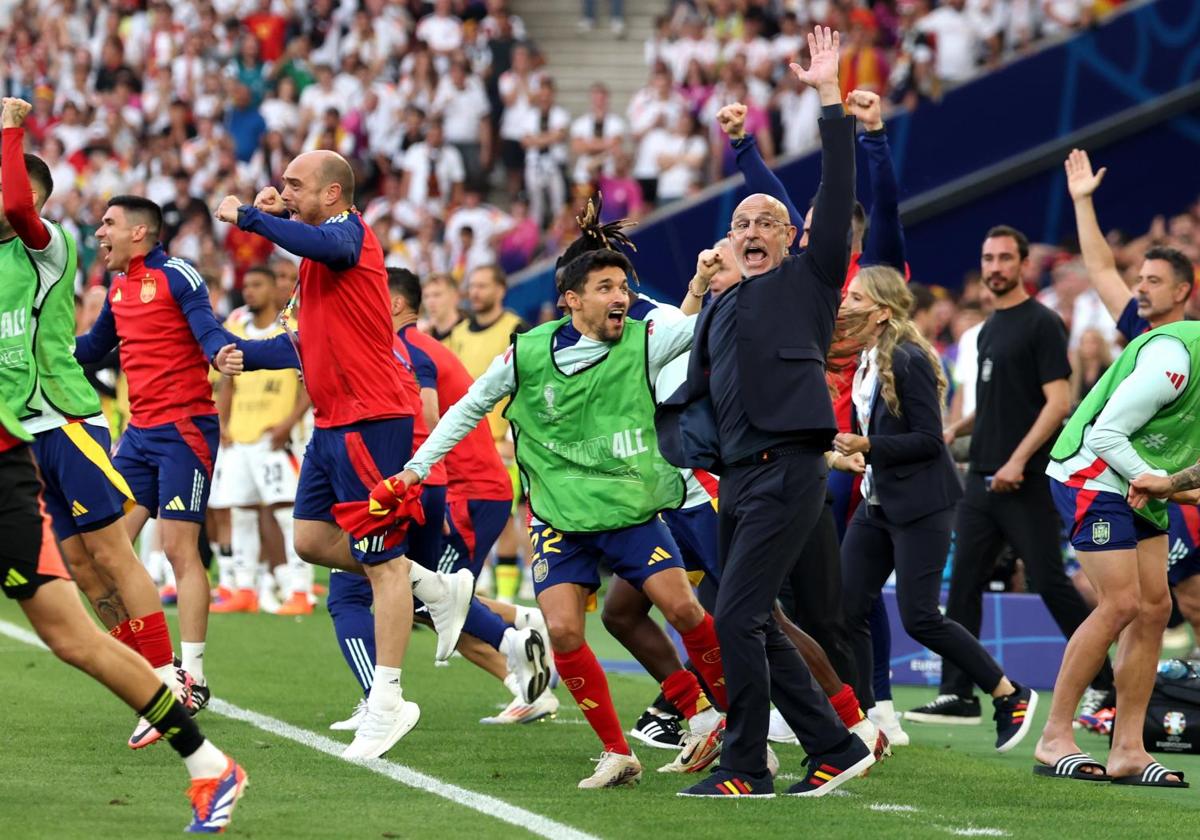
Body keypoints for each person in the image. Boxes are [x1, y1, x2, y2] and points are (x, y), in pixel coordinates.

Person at [379, 246, 728, 789]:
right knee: (564, 631)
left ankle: (739, 727)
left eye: (623, 287)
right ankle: (618, 753)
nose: (622, 297)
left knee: (684, 608)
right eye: (607, 288)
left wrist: (707, 283)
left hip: (629, 512)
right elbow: (469, 407)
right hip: (558, 519)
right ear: (572, 300)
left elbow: (699, 326)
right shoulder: (527, 353)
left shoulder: (645, 336)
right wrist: (412, 471)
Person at [659, 26, 875, 799]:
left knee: (739, 616)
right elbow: (688, 388)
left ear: (793, 237)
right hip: (735, 482)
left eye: (767, 223)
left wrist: (826, 98)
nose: (753, 231)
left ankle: (745, 765)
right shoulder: (719, 307)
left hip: (787, 470)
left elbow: (839, 187)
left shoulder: (811, 282)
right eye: (741, 223)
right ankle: (832, 745)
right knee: (746, 617)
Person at [213, 149, 474, 761]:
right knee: (309, 540)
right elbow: (311, 341)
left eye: (296, 185)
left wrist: (249, 217)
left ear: (332, 194)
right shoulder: (317, 256)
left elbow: (328, 247)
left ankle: (389, 700)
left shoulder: (345, 234)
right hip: (335, 420)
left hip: (370, 416)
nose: (285, 192)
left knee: (379, 562)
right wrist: (246, 355)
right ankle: (433, 586)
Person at [0, 98, 191, 750]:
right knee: (80, 568)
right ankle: (149, 680)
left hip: (66, 417)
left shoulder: (48, 247)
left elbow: (20, 208)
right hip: (22, 435)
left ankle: (167, 678)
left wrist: (9, 127)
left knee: (112, 551)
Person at [325, 267, 551, 731]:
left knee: (429, 600)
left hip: (461, 490)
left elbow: (422, 420)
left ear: (390, 304)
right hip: (455, 487)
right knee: (427, 596)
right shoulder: (415, 346)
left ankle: (522, 663)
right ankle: (523, 636)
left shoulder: (407, 350)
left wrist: (429, 497)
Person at [0, 408, 248, 831]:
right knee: (82, 578)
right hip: (34, 447)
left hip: (40, 446)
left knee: (75, 632)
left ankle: (184, 713)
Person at [835, 266, 1037, 753]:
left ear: (881, 311)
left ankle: (1008, 694)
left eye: (856, 297)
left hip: (922, 505)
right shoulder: (865, 358)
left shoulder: (907, 360)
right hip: (877, 501)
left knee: (920, 617)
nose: (844, 303)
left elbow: (928, 441)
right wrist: (854, 454)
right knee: (844, 609)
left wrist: (870, 444)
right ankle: (864, 719)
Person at [923, 223, 1113, 725]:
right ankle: (957, 692)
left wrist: (1016, 460)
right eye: (988, 259)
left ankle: (1105, 685)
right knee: (963, 583)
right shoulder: (986, 330)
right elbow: (995, 405)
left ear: (1024, 265)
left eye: (1005, 258)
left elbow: (1058, 403)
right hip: (981, 477)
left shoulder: (1042, 323)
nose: (995, 267)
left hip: (1023, 480)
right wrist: (953, 429)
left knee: (1050, 582)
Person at [73, 194, 253, 722]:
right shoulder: (118, 288)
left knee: (178, 547)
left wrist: (219, 351)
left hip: (184, 431)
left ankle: (191, 677)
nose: (99, 232)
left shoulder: (178, 274)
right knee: (104, 548)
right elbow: (95, 346)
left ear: (139, 232)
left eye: (108, 224)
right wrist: (41, 349)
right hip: (139, 434)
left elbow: (207, 329)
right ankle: (155, 665)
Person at [1035, 320, 1199, 788]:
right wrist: (1163, 482)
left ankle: (1128, 750)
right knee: (1123, 603)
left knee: (1154, 609)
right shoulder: (1175, 358)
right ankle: (1054, 737)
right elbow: (1105, 433)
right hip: (1093, 473)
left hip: (1144, 483)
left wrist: (1171, 485)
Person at [209, 265, 312, 616]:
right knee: (240, 513)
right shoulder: (235, 331)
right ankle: (246, 589)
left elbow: (309, 386)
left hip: (276, 438)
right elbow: (227, 383)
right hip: (239, 437)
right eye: (246, 285)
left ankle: (300, 590)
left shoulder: (294, 332)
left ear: (274, 290)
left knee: (286, 513)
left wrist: (288, 423)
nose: (249, 291)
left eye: (257, 285)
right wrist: (223, 423)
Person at [447, 263, 529, 602]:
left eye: (483, 285)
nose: (475, 292)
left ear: (500, 289)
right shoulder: (459, 333)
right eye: (473, 286)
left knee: (505, 520)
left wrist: (513, 435)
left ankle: (507, 596)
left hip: (501, 442)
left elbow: (528, 384)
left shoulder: (516, 327)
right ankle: (472, 582)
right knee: (464, 517)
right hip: (465, 442)